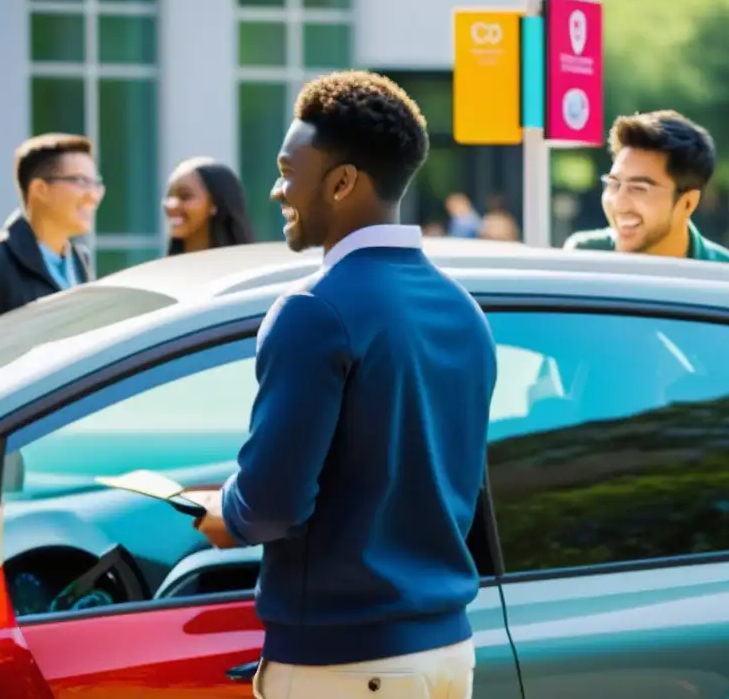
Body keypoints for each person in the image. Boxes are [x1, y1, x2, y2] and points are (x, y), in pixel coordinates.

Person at [184, 71, 496, 699]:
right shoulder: (464, 310)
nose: (276, 190)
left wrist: (224, 513)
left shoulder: (313, 310)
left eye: (285, 170)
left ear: (343, 181)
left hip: (347, 663)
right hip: (446, 652)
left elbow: (272, 506)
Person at [563, 109, 729, 262]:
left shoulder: (725, 275)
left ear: (688, 203)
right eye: (614, 184)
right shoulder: (586, 257)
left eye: (639, 189)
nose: (619, 204)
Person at [0, 133, 103, 318]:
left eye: (96, 184)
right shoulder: (0, 264)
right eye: (81, 181)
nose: (94, 196)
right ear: (40, 190)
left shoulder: (81, 262)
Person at [164, 157, 254, 255]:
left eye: (185, 196)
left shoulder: (245, 267)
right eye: (169, 195)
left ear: (215, 203)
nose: (171, 205)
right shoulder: (162, 269)